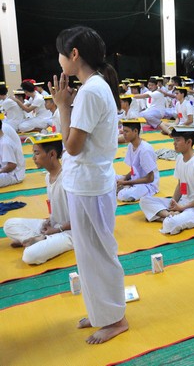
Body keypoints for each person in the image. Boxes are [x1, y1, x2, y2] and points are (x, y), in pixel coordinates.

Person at [51, 26, 127, 343]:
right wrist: (66, 106)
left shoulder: (92, 91)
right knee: (88, 254)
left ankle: (116, 319)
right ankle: (101, 313)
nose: (58, 60)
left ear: (74, 54)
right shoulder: (92, 88)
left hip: (91, 185)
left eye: (60, 53)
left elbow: (72, 147)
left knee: (99, 254)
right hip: (87, 183)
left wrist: (62, 107)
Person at [4, 133, 73, 265]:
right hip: (54, 226)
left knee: (29, 256)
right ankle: (39, 238)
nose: (33, 158)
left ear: (52, 154)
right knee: (9, 225)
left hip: (69, 232)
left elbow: (81, 219)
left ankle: (40, 239)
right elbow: (55, 207)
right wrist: (49, 221)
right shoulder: (48, 177)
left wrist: (56, 230)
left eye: (36, 153)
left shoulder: (67, 179)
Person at [139, 126, 194, 235]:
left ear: (189, 142)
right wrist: (174, 204)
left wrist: (182, 207)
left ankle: (165, 217)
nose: (174, 143)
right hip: (181, 203)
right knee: (144, 200)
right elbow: (180, 185)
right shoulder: (179, 158)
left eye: (177, 140)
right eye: (174, 140)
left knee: (170, 224)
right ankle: (168, 215)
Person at [116, 119, 159, 202]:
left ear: (135, 131)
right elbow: (134, 169)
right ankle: (126, 187)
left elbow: (150, 178)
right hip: (134, 179)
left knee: (124, 195)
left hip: (147, 184)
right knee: (110, 178)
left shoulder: (145, 150)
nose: (124, 134)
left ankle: (126, 188)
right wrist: (124, 178)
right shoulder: (130, 146)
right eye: (123, 131)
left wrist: (126, 183)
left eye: (126, 131)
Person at [0, 115, 26, 188]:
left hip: (14, 175)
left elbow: (12, 166)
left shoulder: (5, 143)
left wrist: (0, 171)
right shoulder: (2, 139)